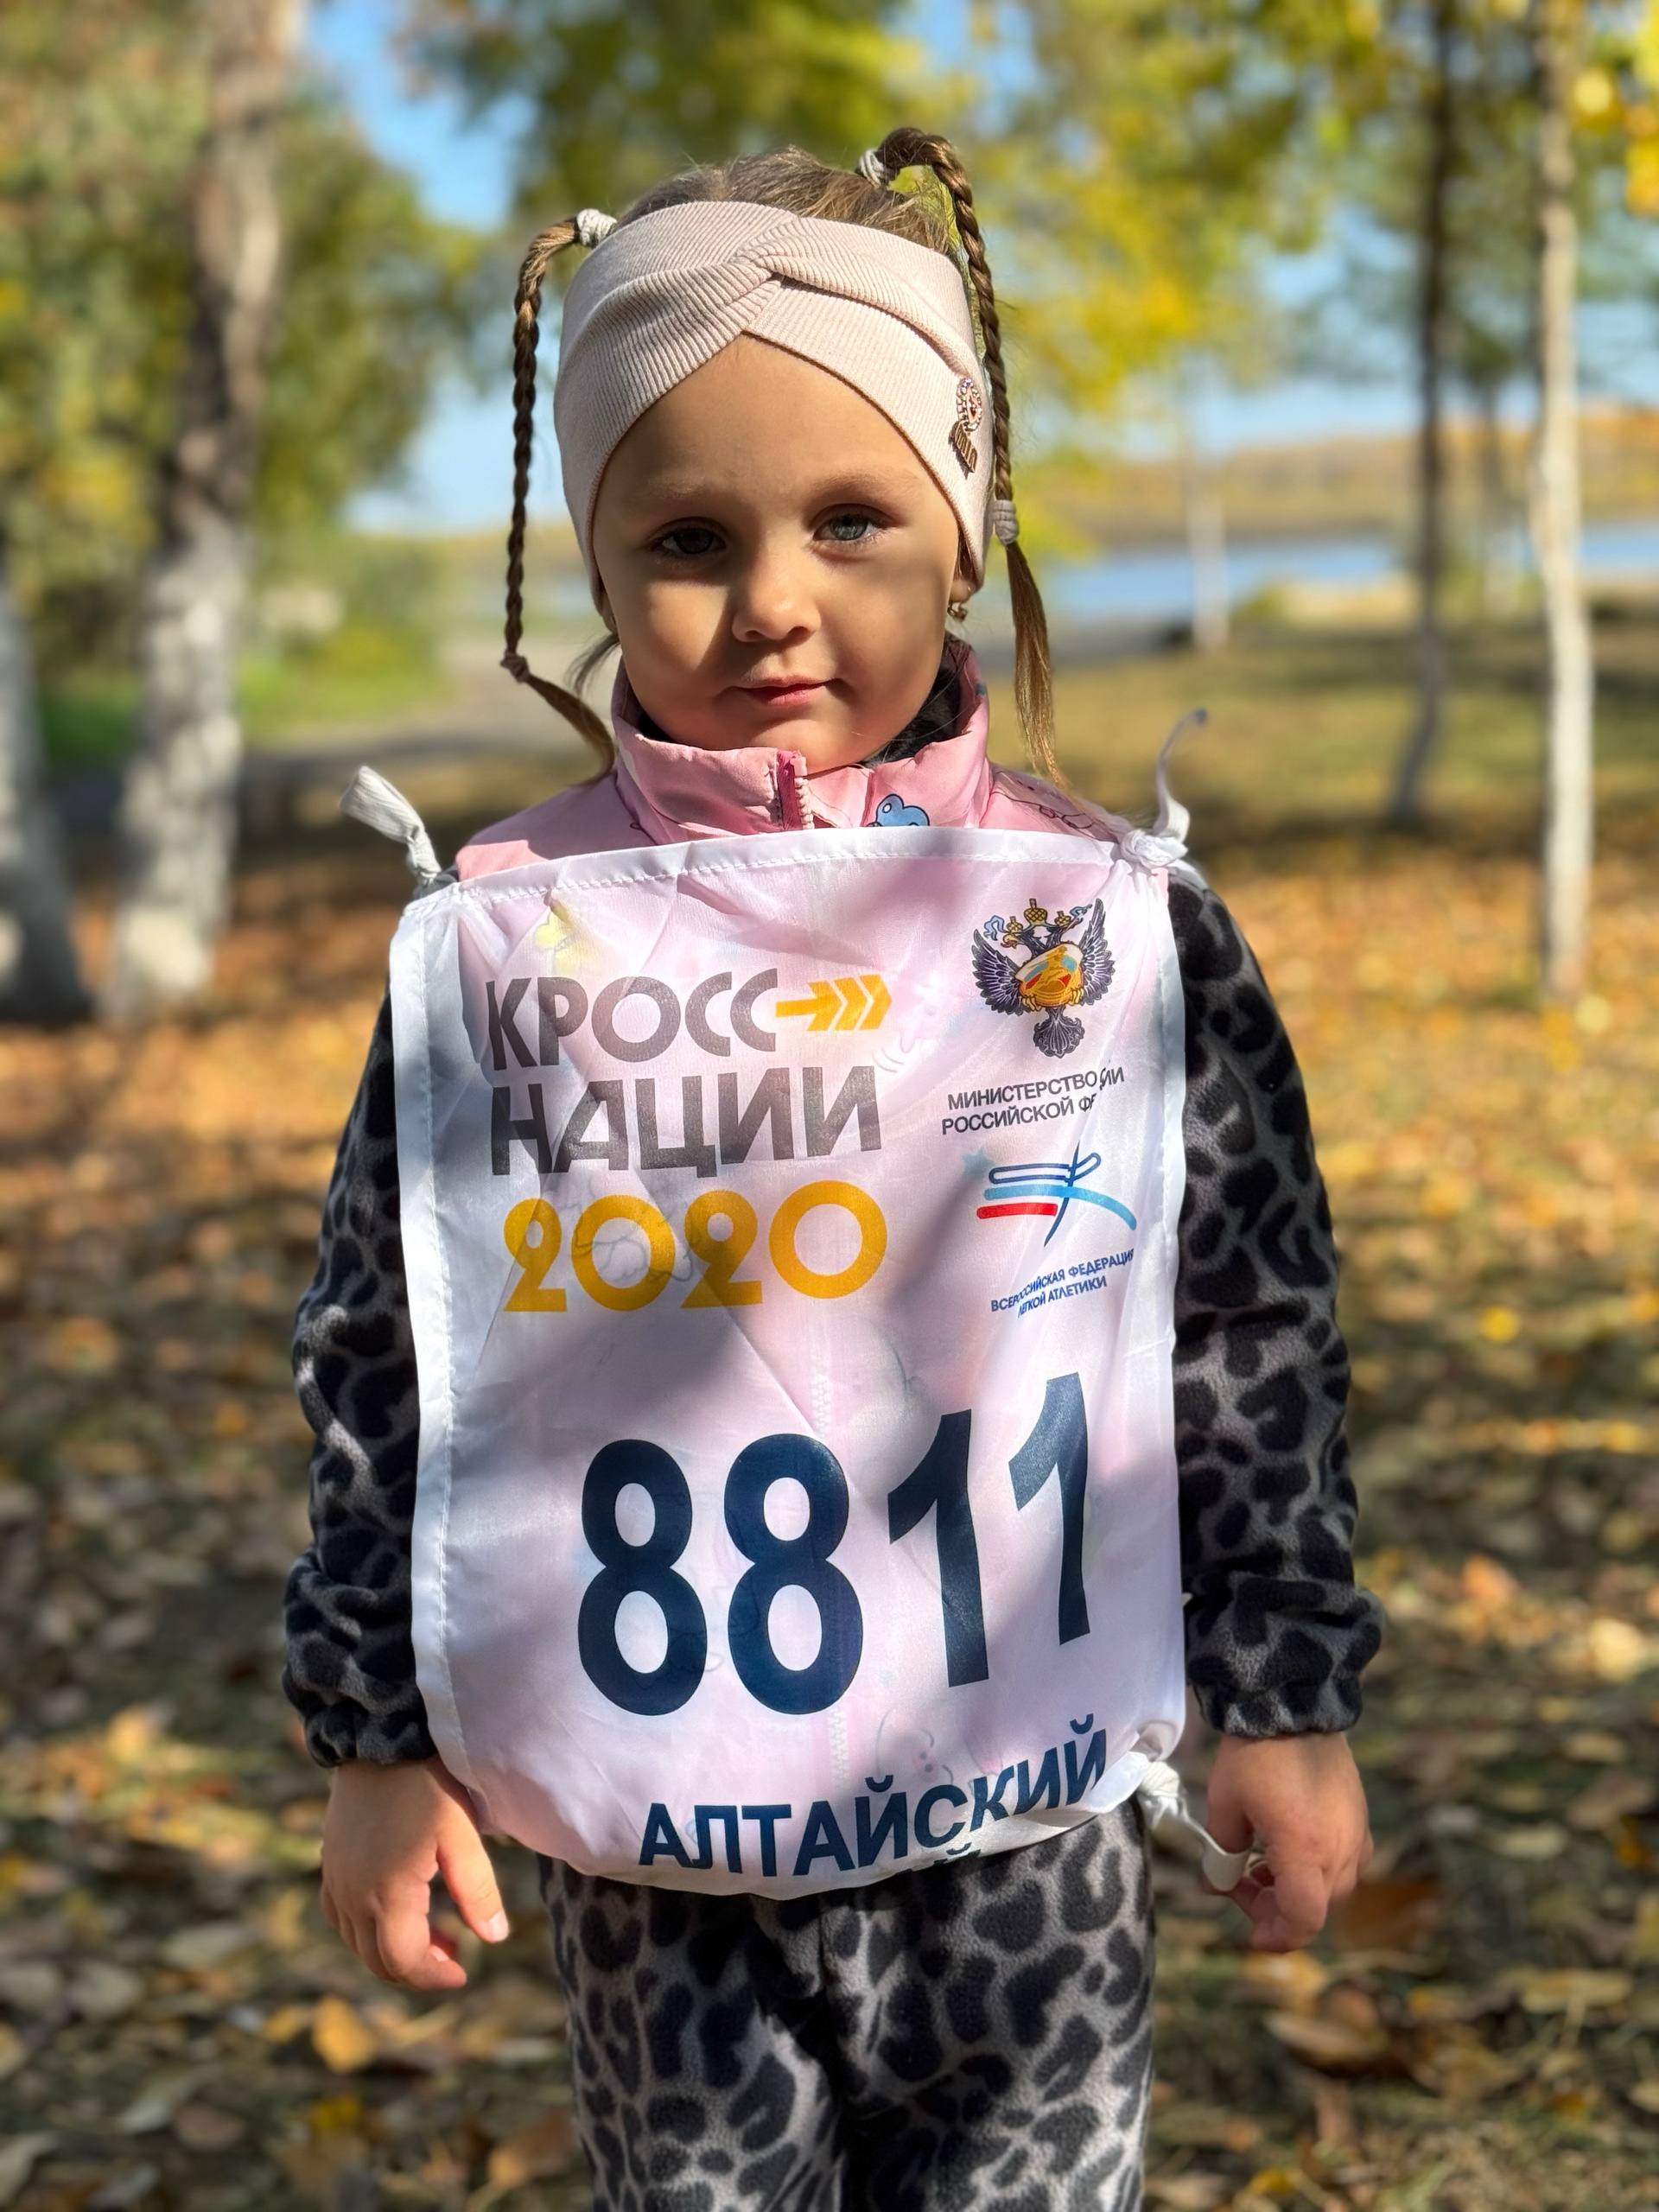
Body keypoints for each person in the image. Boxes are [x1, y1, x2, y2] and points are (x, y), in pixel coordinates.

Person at [281, 129, 1383, 2211]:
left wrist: (1286, 1688)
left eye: (852, 517)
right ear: (592, 568)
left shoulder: (1102, 920)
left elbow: (1242, 1318)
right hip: (666, 1869)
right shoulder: (509, 946)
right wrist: (375, 1732)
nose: (775, 599)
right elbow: (388, 1347)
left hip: (1026, 1838)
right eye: (688, 534)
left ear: (960, 531)